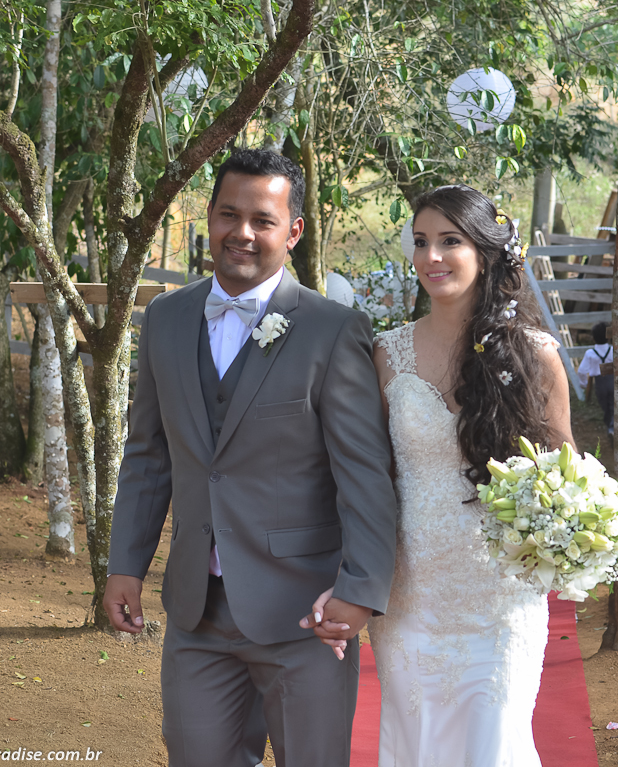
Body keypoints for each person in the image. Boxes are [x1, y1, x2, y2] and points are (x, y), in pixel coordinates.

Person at [102, 148, 397, 767]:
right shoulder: (164, 318)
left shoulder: (332, 330)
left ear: (292, 232)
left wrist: (361, 589)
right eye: (228, 215)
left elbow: (363, 476)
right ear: (206, 219)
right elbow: (149, 455)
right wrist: (125, 563)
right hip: (194, 612)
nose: (242, 233)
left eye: (262, 219)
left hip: (305, 614)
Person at [305, 184, 575, 766]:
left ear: (484, 251)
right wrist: (349, 579)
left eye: (449, 241)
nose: (432, 256)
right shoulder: (387, 354)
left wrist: (573, 540)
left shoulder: (535, 354)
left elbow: (567, 476)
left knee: (493, 747)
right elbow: (364, 481)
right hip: (412, 597)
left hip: (500, 598)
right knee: (417, 748)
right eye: (421, 241)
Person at [577, 321, 614, 435]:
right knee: (613, 404)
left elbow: (582, 371)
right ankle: (612, 427)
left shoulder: (590, 353)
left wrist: (583, 384)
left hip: (600, 383)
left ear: (593, 338)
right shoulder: (613, 350)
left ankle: (610, 425)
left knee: (605, 405)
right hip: (612, 380)